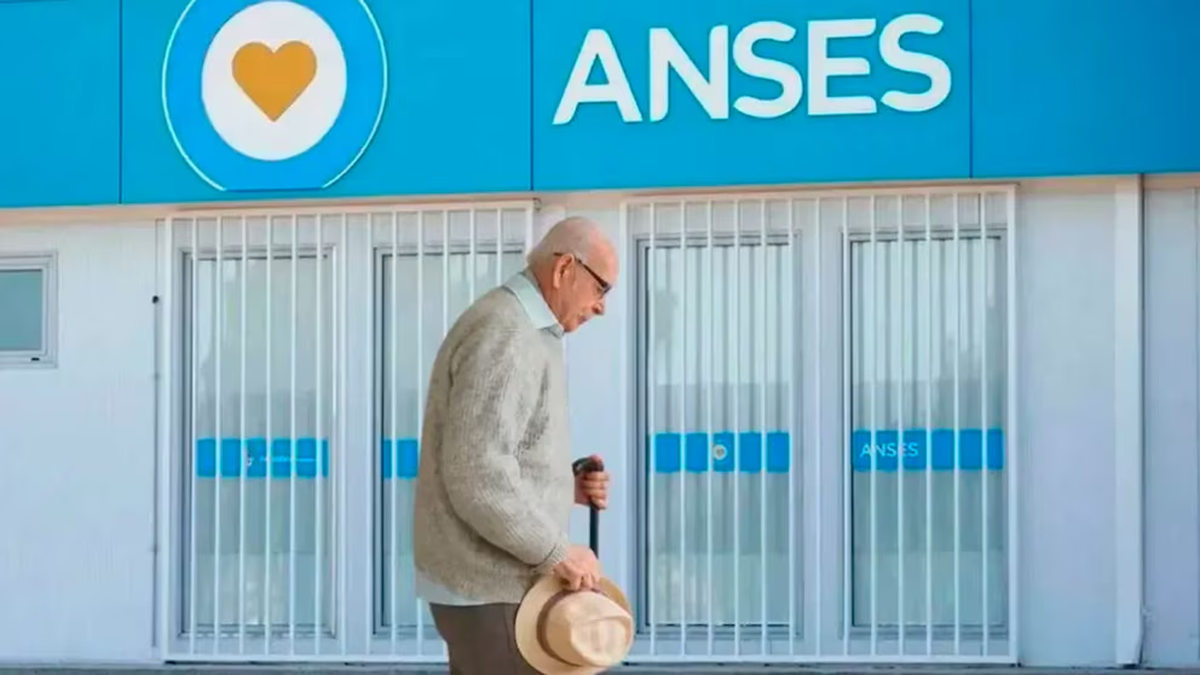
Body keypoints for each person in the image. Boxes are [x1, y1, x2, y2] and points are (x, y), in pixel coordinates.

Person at [412, 215, 618, 674]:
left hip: (497, 591)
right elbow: (477, 476)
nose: (602, 307)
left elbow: (494, 455)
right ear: (564, 269)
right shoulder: (508, 333)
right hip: (494, 592)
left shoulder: (526, 331)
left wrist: (563, 485)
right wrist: (558, 552)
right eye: (601, 288)